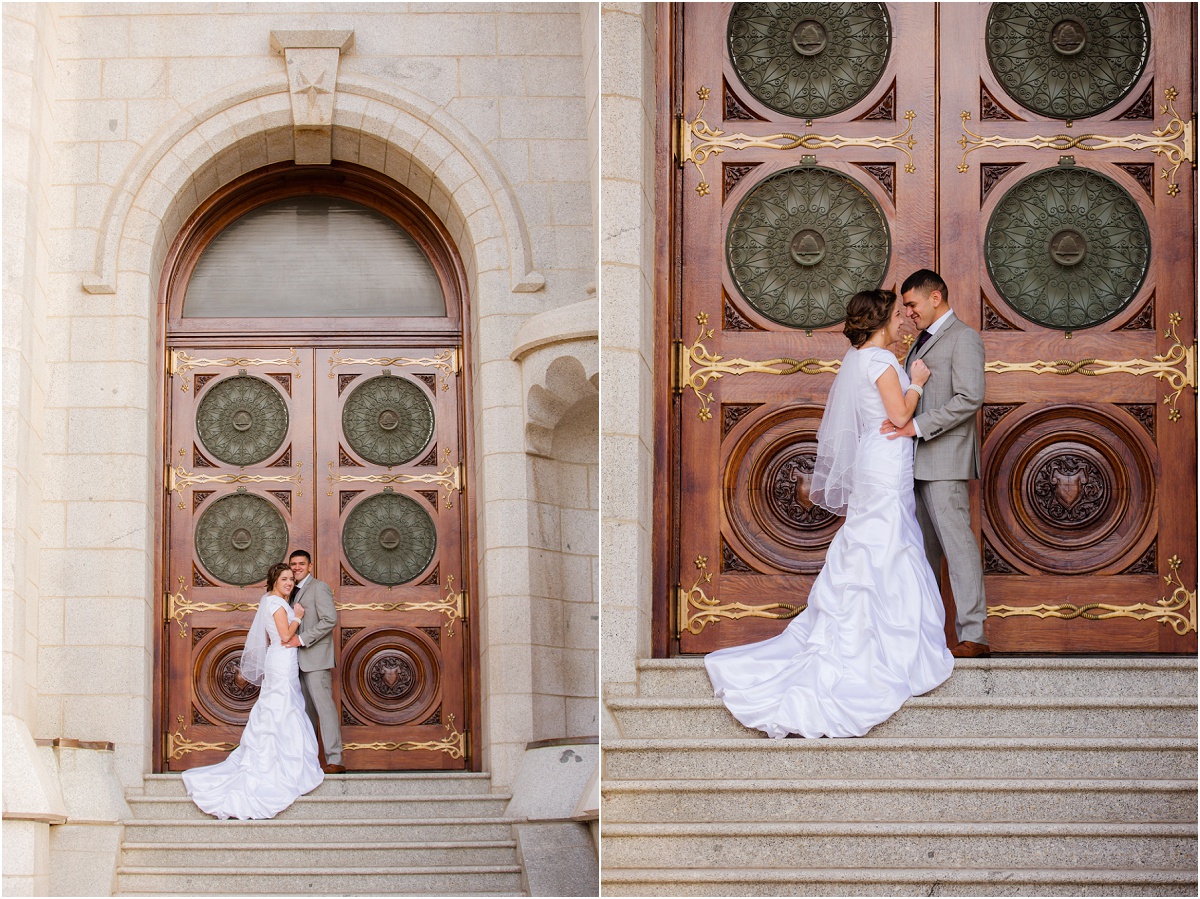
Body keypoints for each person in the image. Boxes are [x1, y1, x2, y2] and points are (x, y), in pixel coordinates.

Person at [706, 289, 954, 738]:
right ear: (880, 320)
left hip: (876, 460)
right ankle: (883, 644)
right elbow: (898, 415)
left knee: (876, 539)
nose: (904, 321)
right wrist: (917, 380)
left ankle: (871, 630)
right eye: (898, 314)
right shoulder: (879, 361)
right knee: (886, 539)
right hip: (886, 458)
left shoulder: (858, 358)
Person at [882, 269, 988, 658]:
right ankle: (925, 637)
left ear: (935, 298)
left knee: (958, 548)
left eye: (911, 304)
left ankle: (974, 635)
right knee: (923, 554)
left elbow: (969, 397)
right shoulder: (919, 343)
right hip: (915, 463)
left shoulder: (964, 338)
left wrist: (917, 427)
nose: (908, 313)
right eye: (905, 307)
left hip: (944, 461)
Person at [182, 562, 323, 818]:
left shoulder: (270, 601)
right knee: (282, 705)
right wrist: (299, 617)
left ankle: (280, 756)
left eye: (291, 579)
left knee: (280, 705)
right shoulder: (277, 604)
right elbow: (282, 635)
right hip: (282, 657)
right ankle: (280, 764)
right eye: (284, 579)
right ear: (274, 581)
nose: (289, 583)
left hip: (280, 659)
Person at [283, 550, 344, 773]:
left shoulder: (318, 587)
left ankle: (335, 759)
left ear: (310, 566)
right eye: (293, 564)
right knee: (305, 712)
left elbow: (330, 619)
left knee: (324, 708)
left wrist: (302, 638)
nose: (297, 567)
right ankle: (309, 762)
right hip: (295, 661)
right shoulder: (290, 590)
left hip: (316, 659)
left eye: (301, 564)